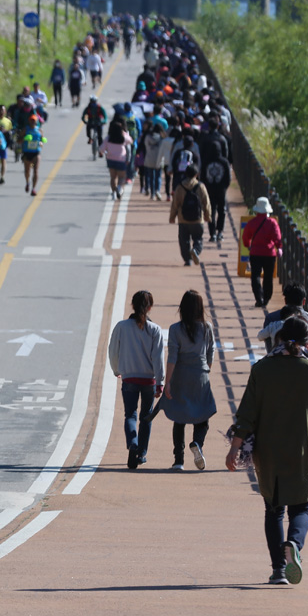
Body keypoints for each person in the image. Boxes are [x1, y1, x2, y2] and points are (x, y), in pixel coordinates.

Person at [226, 317, 308, 585]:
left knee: (274, 511)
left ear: (279, 338)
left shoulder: (261, 369)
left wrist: (234, 449)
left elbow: (246, 414)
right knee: (301, 509)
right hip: (301, 450)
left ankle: (278, 570)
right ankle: (294, 543)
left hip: (269, 452)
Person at [108, 290, 166, 470]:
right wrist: (160, 382)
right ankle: (142, 453)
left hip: (129, 378)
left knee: (130, 414)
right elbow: (158, 358)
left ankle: (132, 443)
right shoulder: (155, 329)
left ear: (132, 305)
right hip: (149, 380)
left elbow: (113, 351)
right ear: (150, 308)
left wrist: (117, 369)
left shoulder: (121, 326)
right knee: (146, 417)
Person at [161, 291, 216, 470]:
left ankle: (178, 460)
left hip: (181, 375)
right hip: (200, 374)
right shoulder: (207, 327)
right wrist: (206, 368)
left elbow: (172, 357)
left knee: (179, 416)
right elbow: (210, 352)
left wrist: (167, 381)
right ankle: (197, 444)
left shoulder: (176, 329)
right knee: (203, 415)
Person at [242, 196, 282, 308]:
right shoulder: (272, 223)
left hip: (255, 253)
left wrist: (248, 245)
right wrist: (279, 247)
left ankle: (259, 297)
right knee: (268, 277)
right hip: (269, 254)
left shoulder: (252, 223)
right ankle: (266, 298)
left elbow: (245, 237)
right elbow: (277, 237)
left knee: (255, 275)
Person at [259, 281, 308, 352]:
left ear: (285, 300)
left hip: (276, 360)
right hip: (303, 360)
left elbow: (268, 343)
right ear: (304, 301)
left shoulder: (271, 318)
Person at [169, 164, 211, 266]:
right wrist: (207, 216)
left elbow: (175, 204)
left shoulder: (180, 187)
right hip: (198, 219)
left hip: (183, 219)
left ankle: (187, 259)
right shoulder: (201, 186)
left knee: (184, 240)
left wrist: (172, 217)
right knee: (198, 238)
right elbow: (206, 203)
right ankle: (196, 250)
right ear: (197, 174)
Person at [99, 118, 132, 200]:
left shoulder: (108, 138)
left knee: (113, 177)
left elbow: (101, 149)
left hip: (110, 160)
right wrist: (124, 132)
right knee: (121, 177)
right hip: (121, 160)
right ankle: (120, 189)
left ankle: (113, 192)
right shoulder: (123, 137)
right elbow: (130, 141)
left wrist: (102, 153)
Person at [21, 115, 45, 196]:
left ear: (36, 121)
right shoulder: (25, 130)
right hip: (27, 152)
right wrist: (24, 138)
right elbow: (18, 140)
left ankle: (34, 189)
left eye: (34, 120)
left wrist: (41, 143)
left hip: (36, 153)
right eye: (31, 120)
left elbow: (42, 140)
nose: (33, 122)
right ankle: (27, 182)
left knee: (36, 170)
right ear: (29, 121)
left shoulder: (39, 130)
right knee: (27, 171)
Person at [0, 105, 14, 183]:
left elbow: (10, 131)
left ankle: (2, 176)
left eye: (3, 110)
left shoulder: (8, 121)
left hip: (4, 143)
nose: (1, 112)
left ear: (5, 111)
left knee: (3, 160)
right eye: (0, 110)